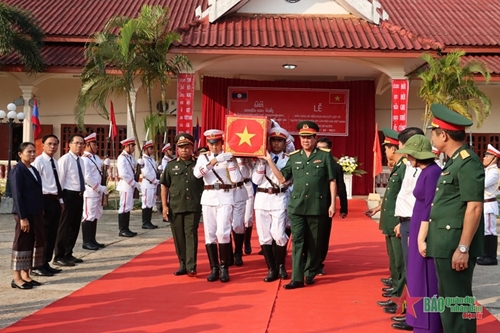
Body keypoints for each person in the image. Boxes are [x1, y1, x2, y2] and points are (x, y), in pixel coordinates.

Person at [427, 103, 484, 333]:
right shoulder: (453, 161)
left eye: (433, 131)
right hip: (443, 243)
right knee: (449, 301)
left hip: (455, 244)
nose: (431, 136)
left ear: (443, 135)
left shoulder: (468, 162)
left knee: (460, 302)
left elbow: (474, 207)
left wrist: (463, 247)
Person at [270, 121, 337, 289]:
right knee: (298, 241)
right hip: (297, 207)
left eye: (309, 137)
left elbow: (332, 180)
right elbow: (282, 179)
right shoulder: (294, 157)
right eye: (303, 137)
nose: (306, 140)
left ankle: (310, 271)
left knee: (314, 243)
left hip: (317, 205)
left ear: (315, 139)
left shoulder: (324, 156)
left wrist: (333, 204)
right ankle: (297, 278)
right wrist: (268, 161)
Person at [396, 134, 443, 333]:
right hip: (416, 224)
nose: (406, 157)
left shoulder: (432, 172)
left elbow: (431, 206)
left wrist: (421, 237)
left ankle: (429, 325)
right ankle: (418, 320)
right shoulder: (424, 171)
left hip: (424, 228)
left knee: (426, 278)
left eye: (409, 154)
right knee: (416, 276)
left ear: (417, 155)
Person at [367, 128, 406, 314]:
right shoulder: (398, 167)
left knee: (400, 261)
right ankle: (396, 291)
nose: (385, 152)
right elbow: (391, 195)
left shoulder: (404, 167)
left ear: (395, 148)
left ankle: (399, 297)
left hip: (398, 219)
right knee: (394, 257)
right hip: (391, 218)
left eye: (387, 148)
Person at [194, 129, 240, 282]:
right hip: (208, 197)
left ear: (222, 143)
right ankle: (214, 268)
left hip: (225, 196)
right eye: (211, 144)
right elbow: (198, 174)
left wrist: (231, 163)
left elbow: (236, 178)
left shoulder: (228, 157)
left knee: (223, 232)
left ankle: (224, 267)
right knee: (210, 234)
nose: (214, 147)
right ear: (207, 144)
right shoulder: (203, 157)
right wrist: (214, 161)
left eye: (217, 143)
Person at [161, 133, 204, 277]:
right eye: (181, 147)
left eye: (187, 147)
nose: (184, 150)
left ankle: (191, 266)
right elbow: (164, 186)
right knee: (179, 237)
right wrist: (165, 206)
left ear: (192, 148)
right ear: (177, 149)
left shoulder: (199, 164)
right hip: (176, 206)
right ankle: (183, 264)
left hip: (193, 205)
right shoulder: (171, 165)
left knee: (190, 234)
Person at [253, 127, 291, 282]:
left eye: (279, 141)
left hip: (279, 197)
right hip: (262, 197)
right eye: (273, 140)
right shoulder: (260, 159)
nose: (276, 144)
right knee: (264, 236)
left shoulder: (288, 159)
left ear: (284, 143)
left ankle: (281, 264)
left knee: (279, 234)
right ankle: (272, 268)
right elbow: (256, 180)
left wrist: (269, 160)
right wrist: (262, 163)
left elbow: (284, 179)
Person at [10, 142, 44, 289]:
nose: (32, 154)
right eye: (28, 152)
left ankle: (26, 275)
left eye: (33, 151)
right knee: (21, 242)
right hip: (24, 213)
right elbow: (17, 196)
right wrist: (22, 217)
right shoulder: (17, 171)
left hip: (35, 212)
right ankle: (16, 278)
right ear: (20, 154)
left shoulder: (33, 170)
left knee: (31, 243)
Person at [31, 134, 64, 276]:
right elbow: (35, 185)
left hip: (55, 200)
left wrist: (61, 201)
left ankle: (46, 262)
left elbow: (58, 183)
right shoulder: (38, 162)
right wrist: (39, 205)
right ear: (42, 145)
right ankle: (37, 265)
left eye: (55, 144)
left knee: (52, 234)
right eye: (49, 143)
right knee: (42, 235)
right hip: (44, 200)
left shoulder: (54, 162)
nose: (53, 146)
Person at [316, 137, 348, 276]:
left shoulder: (335, 167)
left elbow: (341, 187)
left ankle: (318, 263)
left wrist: (343, 207)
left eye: (324, 148)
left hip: (325, 206)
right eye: (318, 148)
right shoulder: (309, 163)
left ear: (329, 150)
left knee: (323, 235)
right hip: (308, 205)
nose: (320, 151)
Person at [53, 134, 86, 267]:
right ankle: (59, 255)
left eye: (82, 143)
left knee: (75, 225)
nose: (79, 146)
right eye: (76, 143)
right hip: (68, 195)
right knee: (64, 226)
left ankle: (68, 252)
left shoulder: (81, 160)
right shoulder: (65, 160)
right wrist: (60, 199)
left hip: (79, 195)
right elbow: (60, 180)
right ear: (69, 144)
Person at [81, 133, 109, 251]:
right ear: (87, 144)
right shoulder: (84, 159)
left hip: (97, 191)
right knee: (88, 216)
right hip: (90, 190)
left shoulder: (95, 157)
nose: (97, 146)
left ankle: (93, 239)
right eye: (94, 144)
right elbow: (87, 177)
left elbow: (100, 170)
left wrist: (106, 165)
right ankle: (86, 241)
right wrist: (99, 187)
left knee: (96, 215)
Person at [477, 144, 499, 266]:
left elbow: (482, 184)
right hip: (484, 205)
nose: (484, 157)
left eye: (487, 155)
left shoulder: (494, 172)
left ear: (494, 158)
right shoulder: (487, 170)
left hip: (489, 205)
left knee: (490, 231)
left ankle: (491, 256)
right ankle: (485, 254)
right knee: (485, 230)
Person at [116, 137, 141, 237]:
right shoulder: (121, 157)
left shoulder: (129, 157)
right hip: (126, 185)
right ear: (126, 146)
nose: (133, 148)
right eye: (132, 146)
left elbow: (136, 165)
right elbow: (123, 174)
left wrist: (140, 163)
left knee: (128, 207)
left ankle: (127, 228)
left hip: (129, 186)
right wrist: (134, 183)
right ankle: (122, 229)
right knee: (124, 207)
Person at [232, 157, 250, 266]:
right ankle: (228, 254)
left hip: (239, 190)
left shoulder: (243, 155)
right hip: (222, 192)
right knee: (224, 227)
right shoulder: (219, 155)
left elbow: (247, 174)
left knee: (238, 224)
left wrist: (244, 161)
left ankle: (238, 251)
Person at [140, 140, 159, 230]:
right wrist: (155, 180)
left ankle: (149, 221)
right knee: (146, 203)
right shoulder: (143, 160)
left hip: (152, 184)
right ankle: (145, 222)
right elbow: (146, 173)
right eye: (150, 148)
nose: (152, 150)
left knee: (151, 203)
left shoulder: (151, 159)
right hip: (148, 184)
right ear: (145, 149)